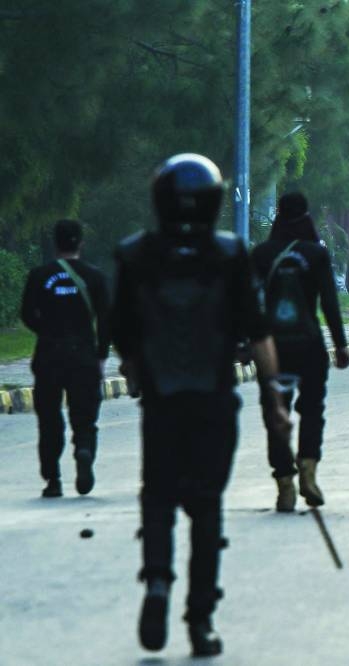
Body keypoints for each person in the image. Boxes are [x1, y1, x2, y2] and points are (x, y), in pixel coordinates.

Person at [111, 154, 291, 657]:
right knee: (207, 508)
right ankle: (200, 619)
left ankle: (157, 583)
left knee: (159, 498)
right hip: (213, 401)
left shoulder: (135, 256)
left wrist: (134, 367)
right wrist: (273, 402)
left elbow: (120, 331)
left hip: (162, 403)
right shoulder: (230, 255)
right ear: (214, 202)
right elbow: (258, 334)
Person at [250, 192, 349, 513]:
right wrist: (340, 344)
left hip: (271, 347)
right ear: (306, 216)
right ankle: (308, 471)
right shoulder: (316, 254)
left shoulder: (261, 254)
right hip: (308, 344)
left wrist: (243, 343)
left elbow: (247, 304)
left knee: (274, 414)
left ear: (279, 215)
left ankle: (285, 487)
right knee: (312, 410)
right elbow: (329, 303)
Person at [20, 219, 110, 498]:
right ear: (80, 243)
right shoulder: (94, 277)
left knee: (49, 419)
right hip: (83, 355)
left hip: (49, 355)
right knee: (85, 415)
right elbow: (106, 319)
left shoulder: (39, 275)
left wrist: (45, 331)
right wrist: (101, 354)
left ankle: (53, 479)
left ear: (55, 243)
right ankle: (83, 448)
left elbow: (26, 314)